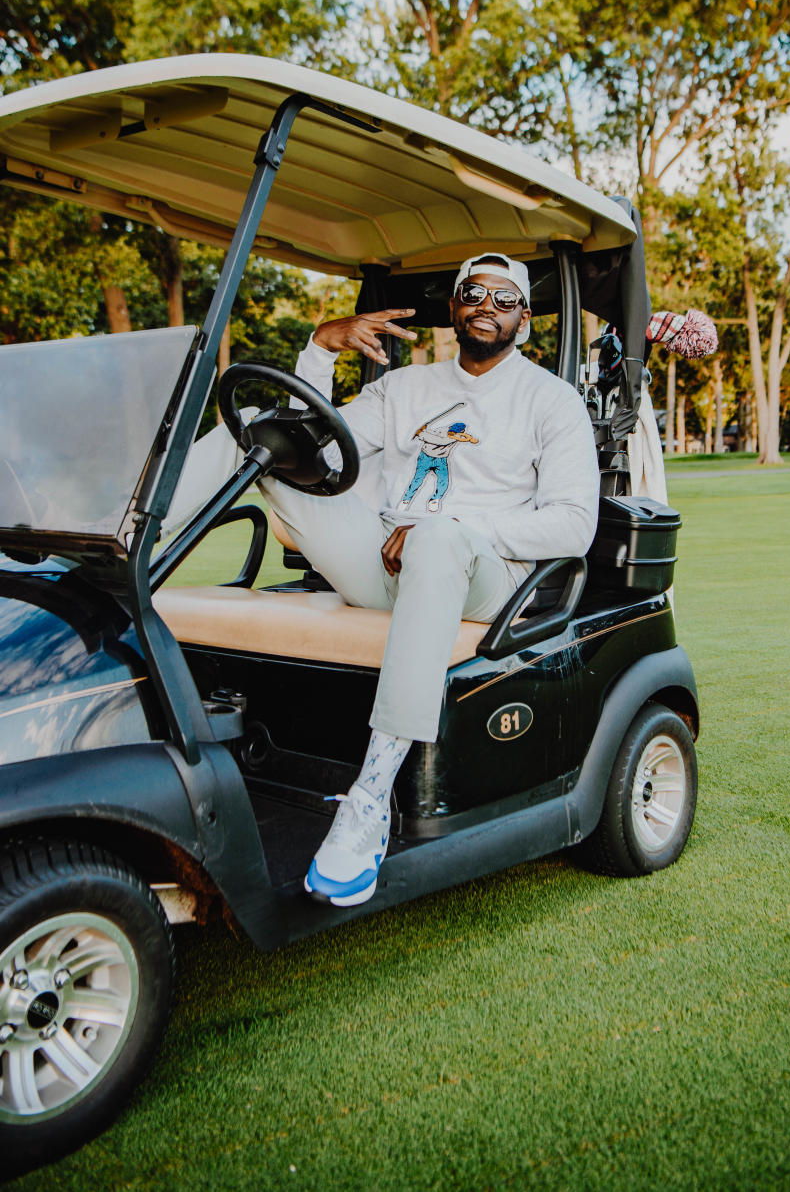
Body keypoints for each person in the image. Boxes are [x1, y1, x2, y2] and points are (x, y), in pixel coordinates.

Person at [169, 252, 600, 907]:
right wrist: (317, 351)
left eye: (504, 297)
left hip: (485, 578)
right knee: (252, 429)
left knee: (437, 538)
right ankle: (124, 558)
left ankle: (371, 796)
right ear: (454, 308)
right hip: (386, 563)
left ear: (525, 319)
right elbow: (299, 443)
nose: (487, 304)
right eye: (473, 293)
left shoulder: (551, 401)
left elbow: (573, 526)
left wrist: (450, 522)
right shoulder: (405, 390)